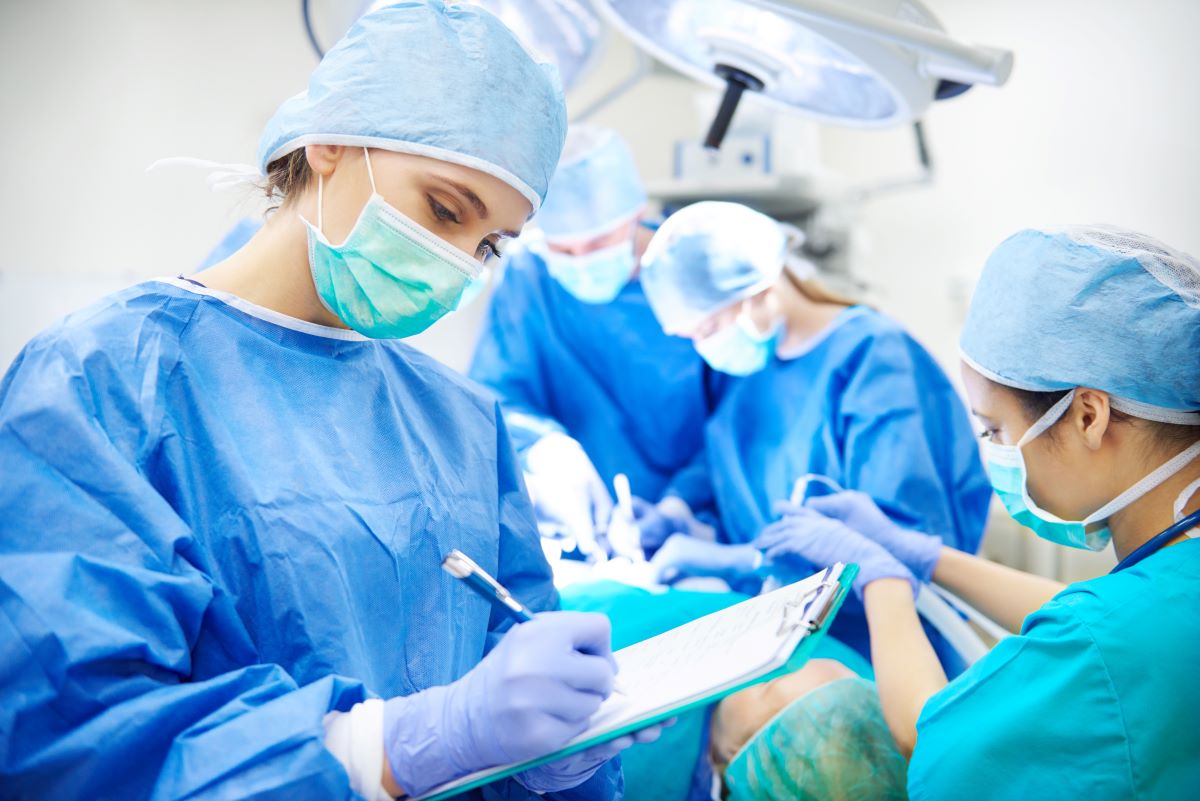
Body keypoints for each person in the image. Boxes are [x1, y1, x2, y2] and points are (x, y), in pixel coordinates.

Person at [0, 3, 661, 799]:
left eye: (488, 244)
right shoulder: (100, 383)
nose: (457, 264)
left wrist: (555, 758)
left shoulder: (460, 422)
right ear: (330, 142)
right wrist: (392, 747)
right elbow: (71, 739)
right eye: (445, 210)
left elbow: (509, 684)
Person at [763, 225, 1200, 798]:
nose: (992, 451)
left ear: (1088, 416)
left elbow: (936, 741)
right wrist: (930, 558)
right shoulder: (1161, 590)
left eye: (994, 429)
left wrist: (884, 583)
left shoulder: (1098, 642)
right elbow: (1122, 617)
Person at [635, 201, 992, 666]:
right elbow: (728, 452)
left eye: (709, 327)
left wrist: (746, 561)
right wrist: (679, 506)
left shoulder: (874, 359)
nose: (705, 347)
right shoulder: (748, 372)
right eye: (691, 336)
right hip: (780, 634)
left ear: (761, 292)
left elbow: (900, 542)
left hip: (882, 649)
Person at [468, 126, 711, 555]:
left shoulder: (688, 274)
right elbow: (498, 392)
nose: (581, 262)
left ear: (637, 215)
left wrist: (680, 504)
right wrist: (546, 447)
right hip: (577, 535)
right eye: (563, 249)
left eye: (598, 242)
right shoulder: (530, 275)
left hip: (695, 529)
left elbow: (736, 417)